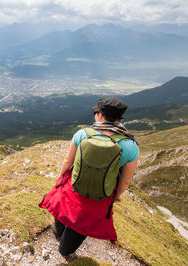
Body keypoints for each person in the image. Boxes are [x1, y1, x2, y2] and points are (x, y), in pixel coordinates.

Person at [39, 97, 139, 259]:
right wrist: (117, 195)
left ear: (100, 115)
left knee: (64, 207)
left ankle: (58, 233)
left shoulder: (83, 134)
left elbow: (68, 161)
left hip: (74, 185)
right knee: (83, 222)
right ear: (119, 118)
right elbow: (125, 180)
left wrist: (61, 178)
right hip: (101, 193)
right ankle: (65, 250)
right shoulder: (130, 145)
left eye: (96, 112)